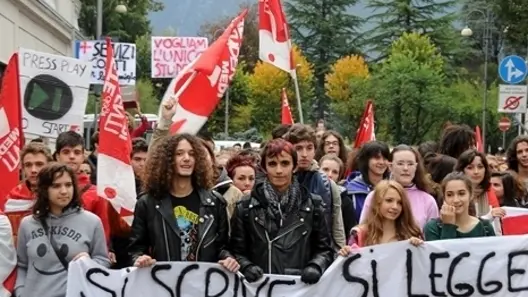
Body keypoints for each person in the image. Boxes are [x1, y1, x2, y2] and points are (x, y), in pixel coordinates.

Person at [129, 134, 238, 272]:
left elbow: (222, 247)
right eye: (179, 153)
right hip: (164, 283)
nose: (186, 158)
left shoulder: (215, 202)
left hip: (202, 284)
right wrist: (139, 258)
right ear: (167, 160)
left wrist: (228, 258)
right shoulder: (147, 203)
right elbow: (136, 248)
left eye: (192, 154)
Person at [229, 138, 334, 283]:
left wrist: (315, 266)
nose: (279, 170)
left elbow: (325, 250)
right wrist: (246, 266)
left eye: (285, 163)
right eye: (272, 164)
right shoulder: (245, 206)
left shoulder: (313, 205)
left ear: (294, 166)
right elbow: (236, 250)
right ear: (264, 167)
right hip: (259, 287)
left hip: (298, 288)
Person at [14, 163, 110, 297]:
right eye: (56, 186)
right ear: (44, 189)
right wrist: (20, 292)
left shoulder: (92, 222)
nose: (64, 191)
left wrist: (89, 262)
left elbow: (103, 261)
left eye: (68, 185)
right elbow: (22, 266)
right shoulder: (28, 224)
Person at [283, 124, 346, 248]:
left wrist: (340, 252)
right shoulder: (280, 181)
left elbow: (337, 226)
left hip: (319, 252)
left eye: (309, 148)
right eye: (299, 148)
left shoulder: (327, 184)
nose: (305, 154)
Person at [360, 145, 439, 229]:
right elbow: (363, 231)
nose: (405, 168)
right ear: (390, 166)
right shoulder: (374, 196)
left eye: (410, 164)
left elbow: (432, 238)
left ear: (416, 166)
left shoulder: (428, 201)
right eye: (400, 163)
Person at [338, 180, 422, 255]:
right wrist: (346, 253)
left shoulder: (411, 233)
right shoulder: (359, 234)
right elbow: (351, 266)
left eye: (400, 202)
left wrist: (418, 248)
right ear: (377, 202)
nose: (395, 206)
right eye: (389, 200)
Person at [54, 131, 110, 243]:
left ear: (83, 156)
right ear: (57, 156)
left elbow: (103, 233)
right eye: (66, 152)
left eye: (77, 152)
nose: (71, 156)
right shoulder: (46, 188)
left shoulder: (95, 194)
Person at [3, 143, 53, 244]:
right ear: (23, 167)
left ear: (49, 165)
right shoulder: (12, 198)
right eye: (28, 165)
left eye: (39, 164)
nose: (33, 170)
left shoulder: (60, 193)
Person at [424, 172, 496, 240]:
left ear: (471, 195)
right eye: (449, 195)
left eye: (461, 194)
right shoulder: (433, 227)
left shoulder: (485, 226)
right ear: (444, 198)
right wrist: (448, 226)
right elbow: (444, 252)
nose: (456, 200)